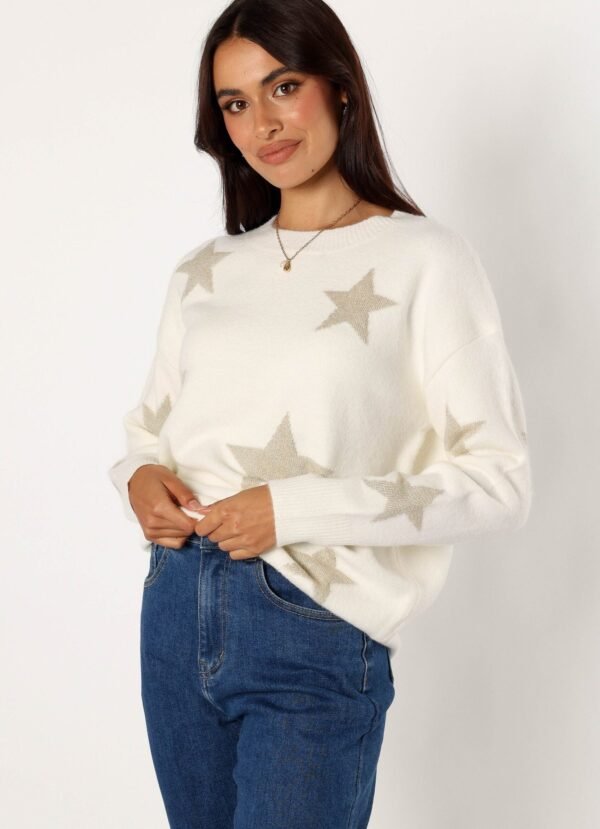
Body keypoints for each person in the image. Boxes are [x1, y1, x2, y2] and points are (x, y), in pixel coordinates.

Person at [108, 0, 533, 826]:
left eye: (283, 87)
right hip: (175, 610)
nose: (262, 124)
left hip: (312, 626)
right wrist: (138, 477)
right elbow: (146, 430)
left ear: (338, 87)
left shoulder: (426, 260)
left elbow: (499, 483)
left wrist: (289, 508)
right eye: (235, 103)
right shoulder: (203, 271)